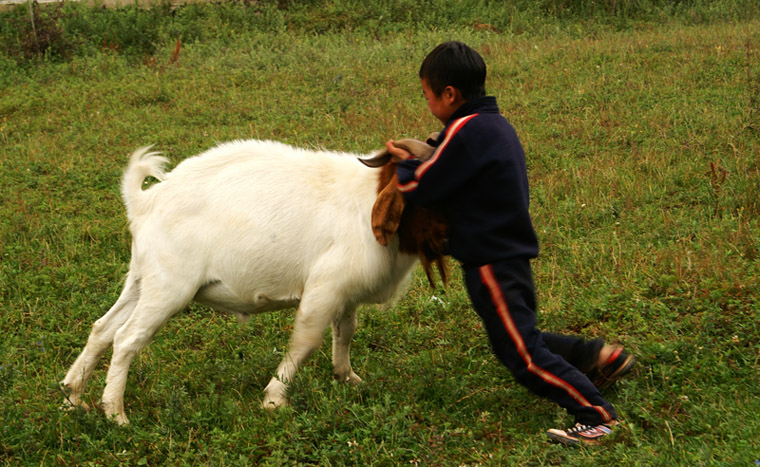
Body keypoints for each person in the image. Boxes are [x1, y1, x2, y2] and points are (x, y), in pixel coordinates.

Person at [385, 41, 634, 445]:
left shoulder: (466, 132)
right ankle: (598, 357)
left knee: (523, 356)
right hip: (506, 254)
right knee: (517, 338)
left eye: (427, 95)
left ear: (450, 95)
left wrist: (405, 163)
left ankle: (598, 415)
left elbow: (423, 184)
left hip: (491, 261)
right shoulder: (492, 124)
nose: (426, 102)